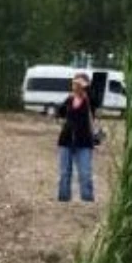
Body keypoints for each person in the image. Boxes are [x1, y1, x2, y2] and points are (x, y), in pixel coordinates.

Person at [55, 72, 97, 202]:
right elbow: (60, 113)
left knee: (85, 173)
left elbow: (95, 101)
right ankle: (63, 199)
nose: (76, 86)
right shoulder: (70, 99)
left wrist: (86, 88)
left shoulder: (90, 100)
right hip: (66, 140)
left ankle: (87, 200)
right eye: (74, 83)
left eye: (79, 83)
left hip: (84, 142)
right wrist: (68, 99)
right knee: (64, 173)